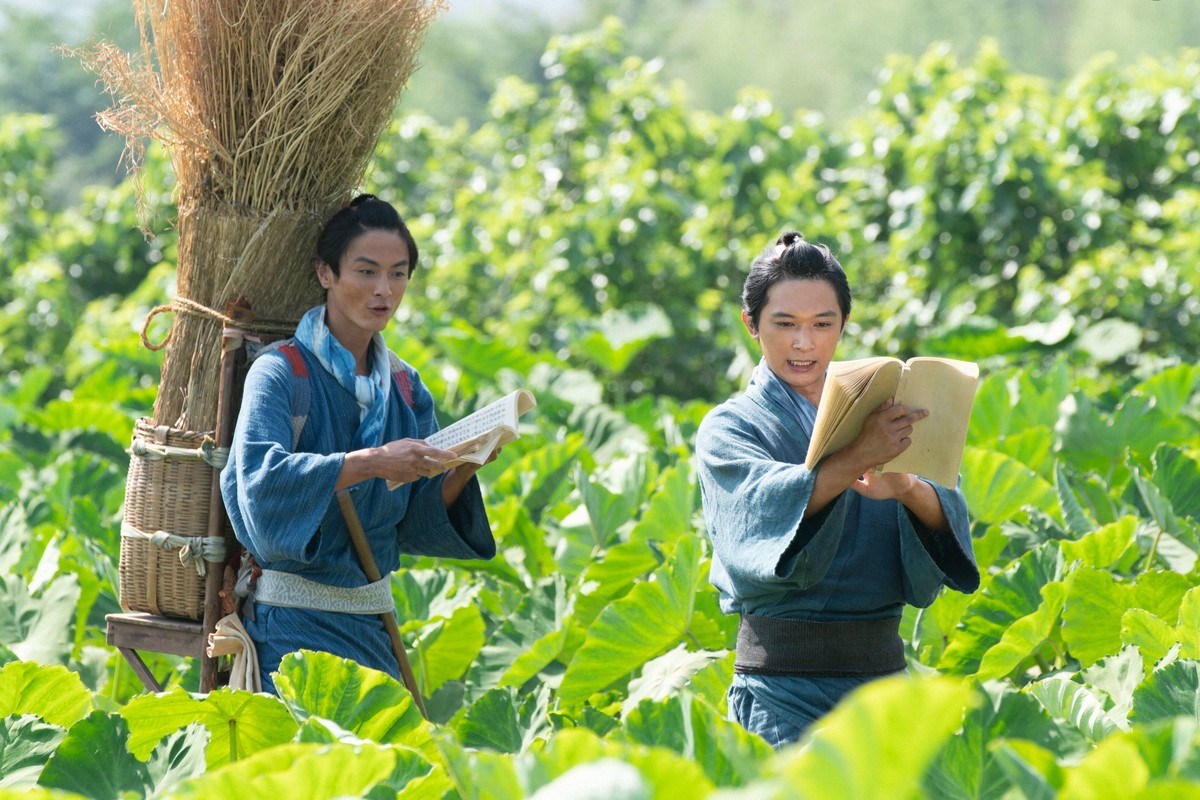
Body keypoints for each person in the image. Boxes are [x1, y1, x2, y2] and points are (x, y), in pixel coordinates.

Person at [695, 231, 979, 747]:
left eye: (822, 324)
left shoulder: (887, 414)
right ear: (751, 324)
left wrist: (908, 489)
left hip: (885, 689)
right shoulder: (730, 428)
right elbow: (759, 513)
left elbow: (950, 515)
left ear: (844, 325)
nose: (804, 343)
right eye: (785, 324)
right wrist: (857, 458)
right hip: (782, 690)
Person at [220, 194, 497, 693]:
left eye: (399, 274)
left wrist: (463, 466)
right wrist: (370, 462)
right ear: (326, 273)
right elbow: (259, 485)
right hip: (291, 629)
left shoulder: (407, 387)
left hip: (373, 627)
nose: (384, 291)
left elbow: (413, 521)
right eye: (366, 272)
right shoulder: (281, 372)